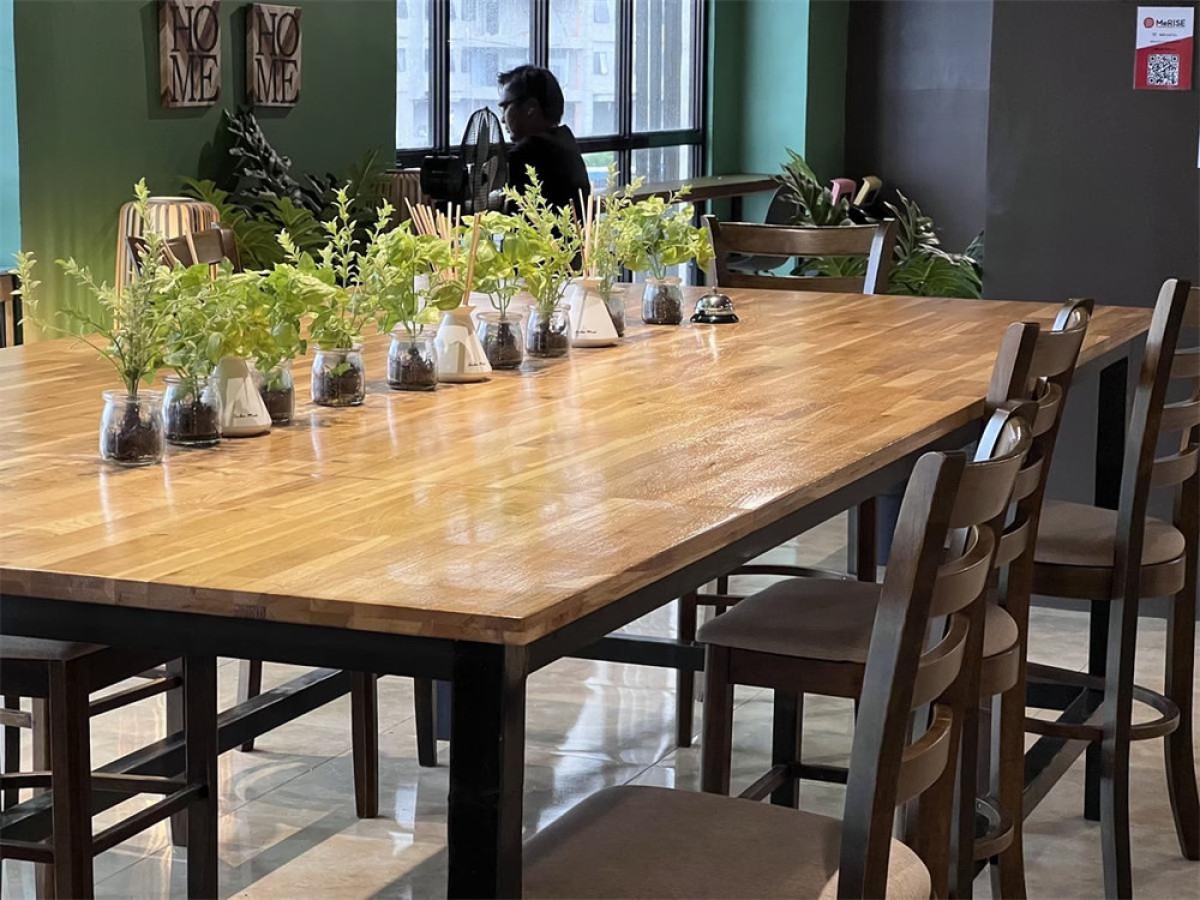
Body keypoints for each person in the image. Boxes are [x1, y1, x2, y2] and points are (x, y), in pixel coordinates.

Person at [498, 65, 591, 212]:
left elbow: (513, 219)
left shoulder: (524, 154)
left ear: (531, 107)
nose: (503, 119)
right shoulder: (565, 140)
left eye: (505, 107)